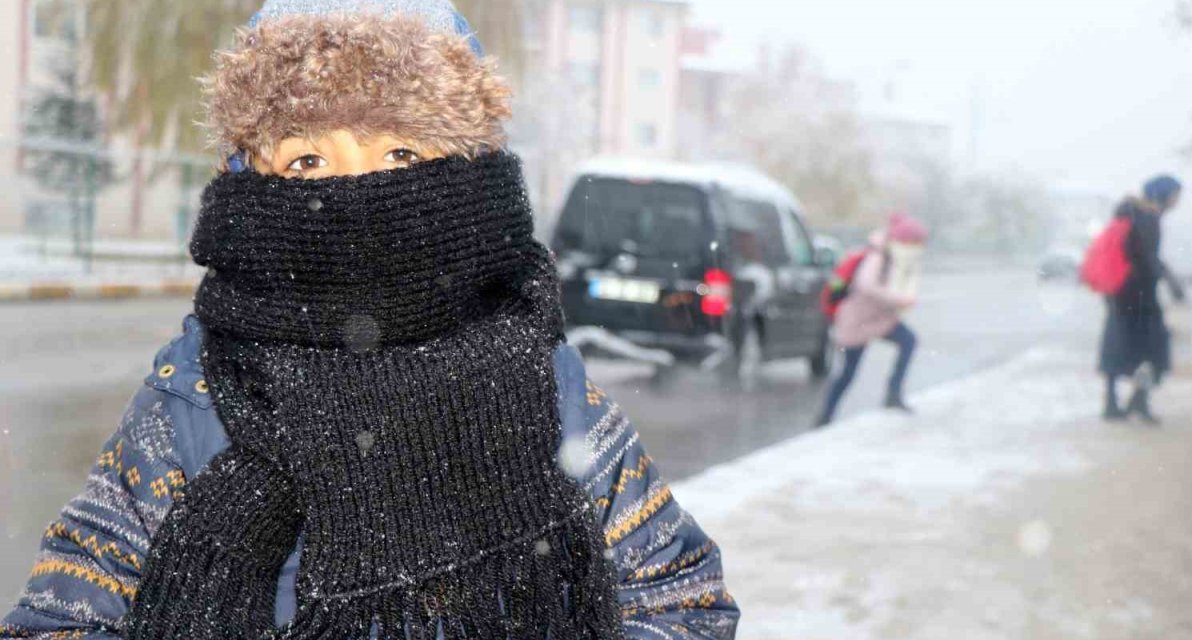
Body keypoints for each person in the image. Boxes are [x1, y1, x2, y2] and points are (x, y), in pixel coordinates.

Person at [0, 2, 738, 638]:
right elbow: (65, 611)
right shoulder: (193, 396)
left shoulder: (542, 387)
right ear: (247, 182)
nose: (356, 191)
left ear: (467, 172)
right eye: (308, 163)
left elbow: (680, 596)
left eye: (401, 151)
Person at [817, 213, 928, 426]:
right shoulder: (877, 255)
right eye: (912, 242)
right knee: (847, 374)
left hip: (878, 319)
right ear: (901, 240)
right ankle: (825, 417)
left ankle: (893, 394)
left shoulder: (892, 255)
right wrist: (899, 298)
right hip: (857, 321)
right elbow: (866, 285)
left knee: (908, 341)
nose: (915, 247)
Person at [1100, 175, 1186, 425]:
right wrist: (1170, 280)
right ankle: (1139, 400)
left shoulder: (1128, 213)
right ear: (1163, 194)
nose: (1178, 200)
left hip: (1118, 292)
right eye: (1176, 194)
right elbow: (1147, 257)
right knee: (1154, 350)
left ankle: (1112, 403)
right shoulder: (1148, 217)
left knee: (1118, 345)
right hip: (1140, 295)